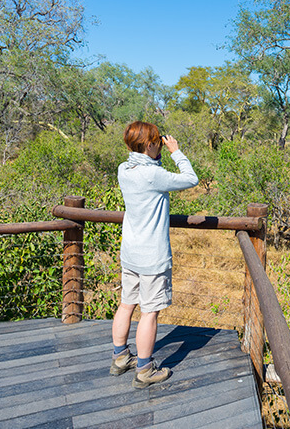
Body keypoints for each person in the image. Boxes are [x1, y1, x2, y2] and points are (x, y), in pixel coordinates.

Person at [109, 121, 199, 389]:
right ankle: (145, 369)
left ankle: (120, 357)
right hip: (152, 257)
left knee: (126, 304)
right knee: (149, 312)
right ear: (149, 145)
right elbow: (190, 178)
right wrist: (175, 151)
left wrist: (156, 157)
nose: (161, 143)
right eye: (158, 141)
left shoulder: (124, 169)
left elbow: (148, 169)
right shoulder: (153, 175)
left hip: (130, 253)